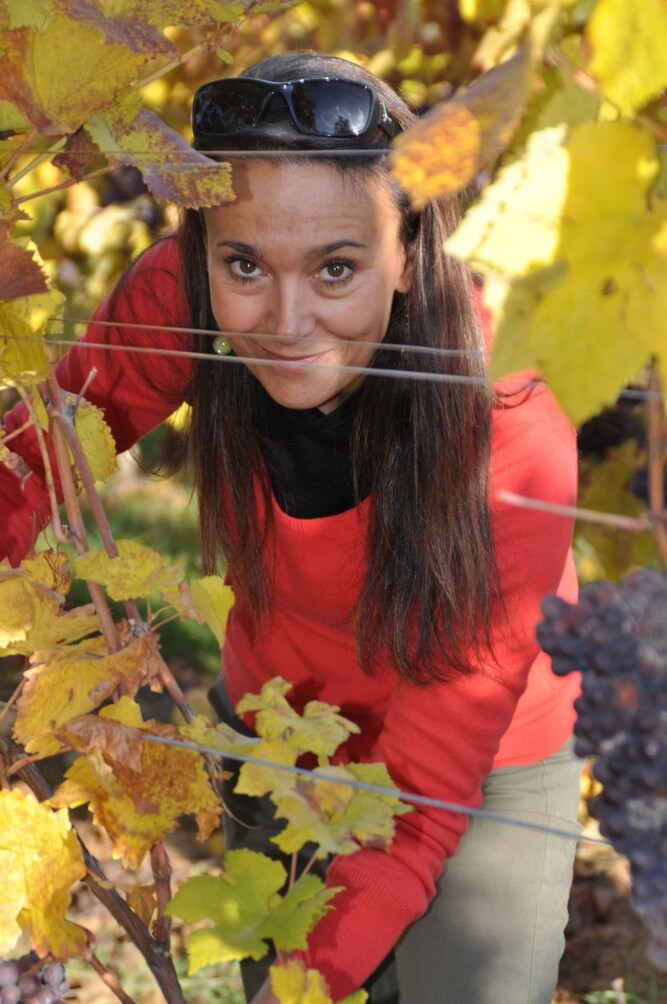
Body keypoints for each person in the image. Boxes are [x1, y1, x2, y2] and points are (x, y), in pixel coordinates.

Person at [0, 51, 582, 1004]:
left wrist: (303, 985)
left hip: (473, 774)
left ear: (410, 253)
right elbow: (38, 459)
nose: (285, 319)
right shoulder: (183, 295)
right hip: (278, 731)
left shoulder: (510, 432)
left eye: (336, 268)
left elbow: (418, 806)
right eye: (243, 265)